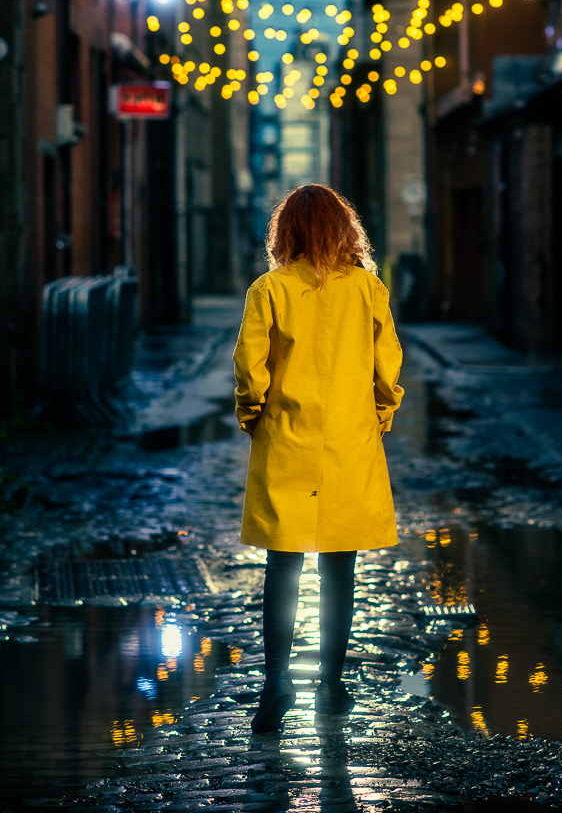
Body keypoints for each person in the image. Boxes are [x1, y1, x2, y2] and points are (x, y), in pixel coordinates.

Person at [233, 184, 404, 733]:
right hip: (351, 443)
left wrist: (253, 416)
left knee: (282, 565)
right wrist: (379, 416)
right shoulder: (368, 289)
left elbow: (249, 367)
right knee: (340, 568)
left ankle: (276, 682)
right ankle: (332, 683)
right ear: (342, 230)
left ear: (287, 233)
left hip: (287, 439)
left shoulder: (269, 290)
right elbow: (389, 366)